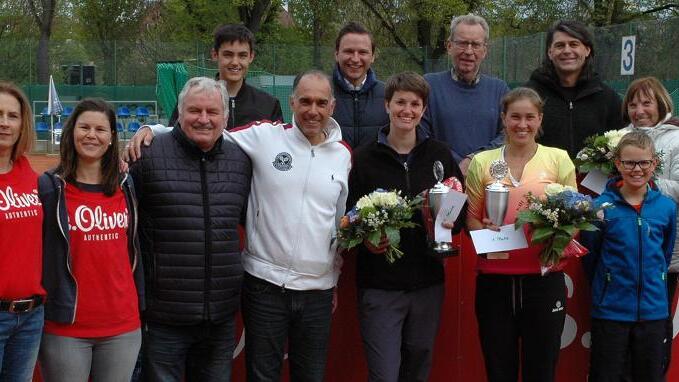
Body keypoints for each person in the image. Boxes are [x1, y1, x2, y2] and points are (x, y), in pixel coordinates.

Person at [127, 70, 351, 382]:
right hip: (263, 286)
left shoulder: (343, 156)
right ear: (292, 102)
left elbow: (338, 224)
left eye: (320, 102)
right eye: (305, 101)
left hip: (316, 291)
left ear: (332, 107)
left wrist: (333, 275)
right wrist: (152, 129)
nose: (312, 110)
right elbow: (207, 128)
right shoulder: (264, 137)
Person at [130, 77, 252, 381]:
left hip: (220, 318)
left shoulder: (241, 161)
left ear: (225, 117)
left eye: (212, 112)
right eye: (194, 110)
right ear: (179, 113)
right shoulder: (145, 156)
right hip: (163, 318)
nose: (203, 119)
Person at [348, 71, 465, 381]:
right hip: (380, 286)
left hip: (427, 283)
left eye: (415, 104)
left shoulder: (439, 154)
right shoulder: (363, 157)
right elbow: (349, 218)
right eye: (400, 102)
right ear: (387, 105)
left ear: (423, 110)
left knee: (417, 369)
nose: (407, 110)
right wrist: (366, 240)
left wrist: (451, 221)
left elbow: (459, 209)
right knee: (385, 374)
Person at [465, 87, 576, 382]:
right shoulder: (483, 162)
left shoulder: (559, 159)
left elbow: (575, 219)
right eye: (515, 116)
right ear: (504, 118)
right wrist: (486, 235)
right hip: (494, 281)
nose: (522, 124)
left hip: (543, 279)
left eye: (529, 117)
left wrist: (557, 236)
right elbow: (472, 219)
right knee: (499, 368)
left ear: (540, 119)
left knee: (541, 370)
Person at [37, 98, 144, 381]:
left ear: (111, 137)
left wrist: (151, 129)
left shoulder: (126, 184)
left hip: (122, 325)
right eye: (84, 127)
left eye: (100, 129)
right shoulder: (49, 187)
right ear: (72, 132)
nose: (91, 135)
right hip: (66, 327)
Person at [582, 131, 676, 382]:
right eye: (629, 162)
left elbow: (664, 256)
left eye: (644, 162)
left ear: (654, 163)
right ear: (618, 164)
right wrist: (608, 286)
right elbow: (591, 258)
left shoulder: (666, 208)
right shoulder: (600, 207)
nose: (637, 169)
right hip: (611, 312)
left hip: (653, 312)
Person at [620, 76, 679, 373]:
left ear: (661, 104)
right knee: (620, 334)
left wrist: (646, 180)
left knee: (655, 334)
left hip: (662, 254)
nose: (639, 110)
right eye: (632, 103)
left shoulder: (675, 139)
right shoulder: (616, 138)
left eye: (646, 102)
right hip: (621, 253)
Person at [421, 14, 509, 175]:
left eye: (475, 44)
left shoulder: (500, 89)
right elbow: (421, 134)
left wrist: (473, 160)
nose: (469, 51)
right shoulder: (429, 85)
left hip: (487, 180)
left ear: (485, 50)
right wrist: (456, 165)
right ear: (449, 46)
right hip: (441, 179)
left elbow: (506, 134)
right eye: (462, 43)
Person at [0, 82, 45, 381]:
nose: (4, 122)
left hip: (31, 316)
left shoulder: (33, 176)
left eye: (12, 115)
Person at [526, 20, 623, 158]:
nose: (567, 50)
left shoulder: (608, 98)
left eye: (574, 44)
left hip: (592, 178)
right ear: (550, 52)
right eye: (560, 45)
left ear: (587, 50)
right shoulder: (529, 95)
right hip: (539, 178)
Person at [168, 24, 283, 128]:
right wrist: (152, 130)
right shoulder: (191, 99)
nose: (235, 62)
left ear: (251, 57)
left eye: (242, 55)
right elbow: (173, 138)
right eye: (228, 55)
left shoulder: (269, 104)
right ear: (215, 55)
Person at [332, 21, 389, 148]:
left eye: (363, 52)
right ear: (336, 54)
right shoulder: (321, 95)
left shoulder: (389, 95)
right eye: (349, 51)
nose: (355, 59)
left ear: (373, 56)